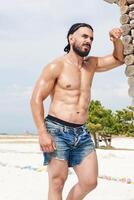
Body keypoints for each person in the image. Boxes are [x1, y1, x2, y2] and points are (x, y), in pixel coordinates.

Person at [30, 23, 124, 200]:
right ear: (71, 38)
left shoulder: (92, 64)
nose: (88, 41)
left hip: (81, 132)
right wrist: (42, 133)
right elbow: (36, 99)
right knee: (57, 182)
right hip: (57, 130)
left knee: (90, 182)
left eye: (91, 38)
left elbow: (119, 59)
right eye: (84, 36)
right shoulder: (55, 66)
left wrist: (116, 40)